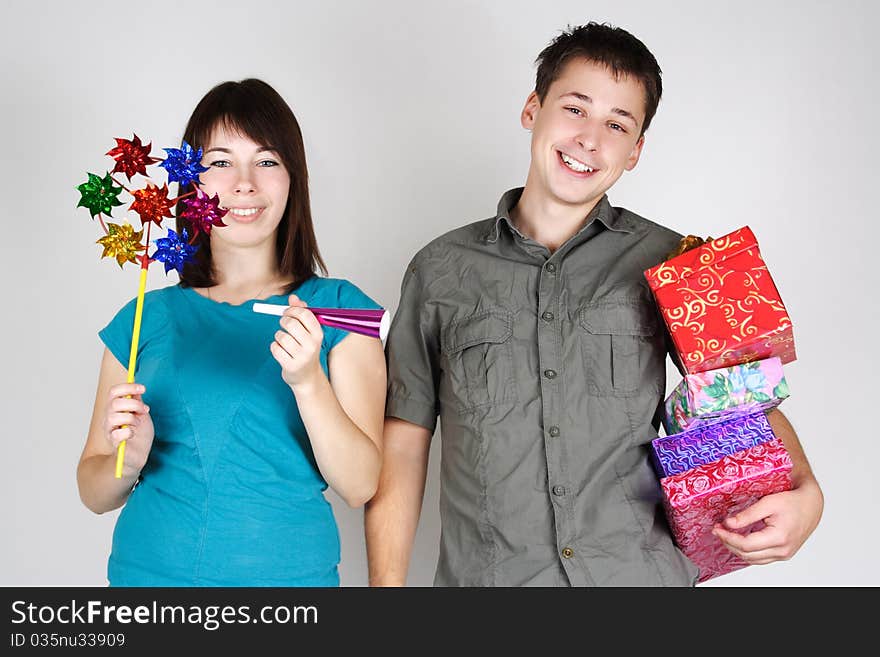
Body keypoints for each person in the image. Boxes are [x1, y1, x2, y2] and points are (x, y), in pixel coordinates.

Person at [365, 23, 824, 586]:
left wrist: (808, 491)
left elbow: (741, 391)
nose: (589, 139)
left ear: (635, 151)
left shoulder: (677, 262)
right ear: (533, 108)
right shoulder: (438, 271)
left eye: (616, 124)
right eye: (575, 108)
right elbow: (404, 446)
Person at [77, 79, 386, 586]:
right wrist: (125, 461)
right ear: (191, 181)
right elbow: (93, 491)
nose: (244, 184)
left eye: (267, 161)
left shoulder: (340, 311)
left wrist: (309, 382)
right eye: (220, 162)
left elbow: (359, 485)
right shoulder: (143, 317)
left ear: (293, 179)